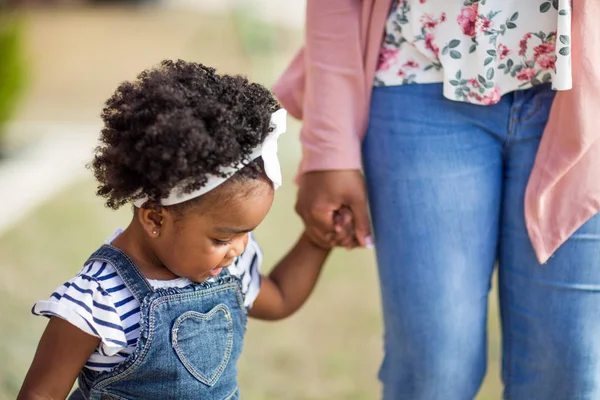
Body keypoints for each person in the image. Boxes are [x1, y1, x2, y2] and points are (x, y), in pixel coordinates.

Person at [274, 0, 600, 399]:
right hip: (418, 69)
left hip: (586, 85)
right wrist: (329, 148)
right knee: (433, 367)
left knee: (569, 370)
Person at [17, 60, 353, 400]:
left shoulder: (228, 268)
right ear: (155, 219)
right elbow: (40, 395)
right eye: (222, 238)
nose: (238, 248)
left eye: (245, 233)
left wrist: (317, 240)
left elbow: (280, 297)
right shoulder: (100, 299)